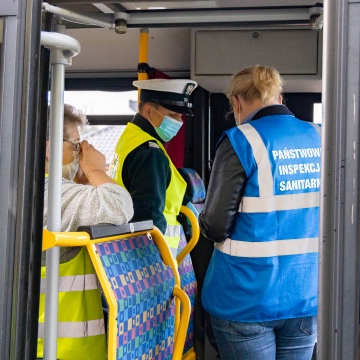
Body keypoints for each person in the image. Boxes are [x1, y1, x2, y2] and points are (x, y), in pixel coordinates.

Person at [199, 65, 321, 359]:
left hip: (244, 297)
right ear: (280, 96)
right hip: (305, 293)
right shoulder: (319, 137)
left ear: (237, 103)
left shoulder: (240, 140)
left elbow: (215, 226)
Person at [38, 104, 134, 359]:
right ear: (50, 148)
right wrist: (95, 171)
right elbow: (117, 206)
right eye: (76, 146)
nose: (79, 155)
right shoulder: (48, 192)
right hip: (56, 347)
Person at [109, 79, 198, 256]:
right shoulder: (150, 152)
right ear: (149, 110)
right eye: (172, 115)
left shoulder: (130, 137)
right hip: (152, 254)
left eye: (181, 116)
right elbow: (149, 217)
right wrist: (154, 258)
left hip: (127, 246)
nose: (179, 122)